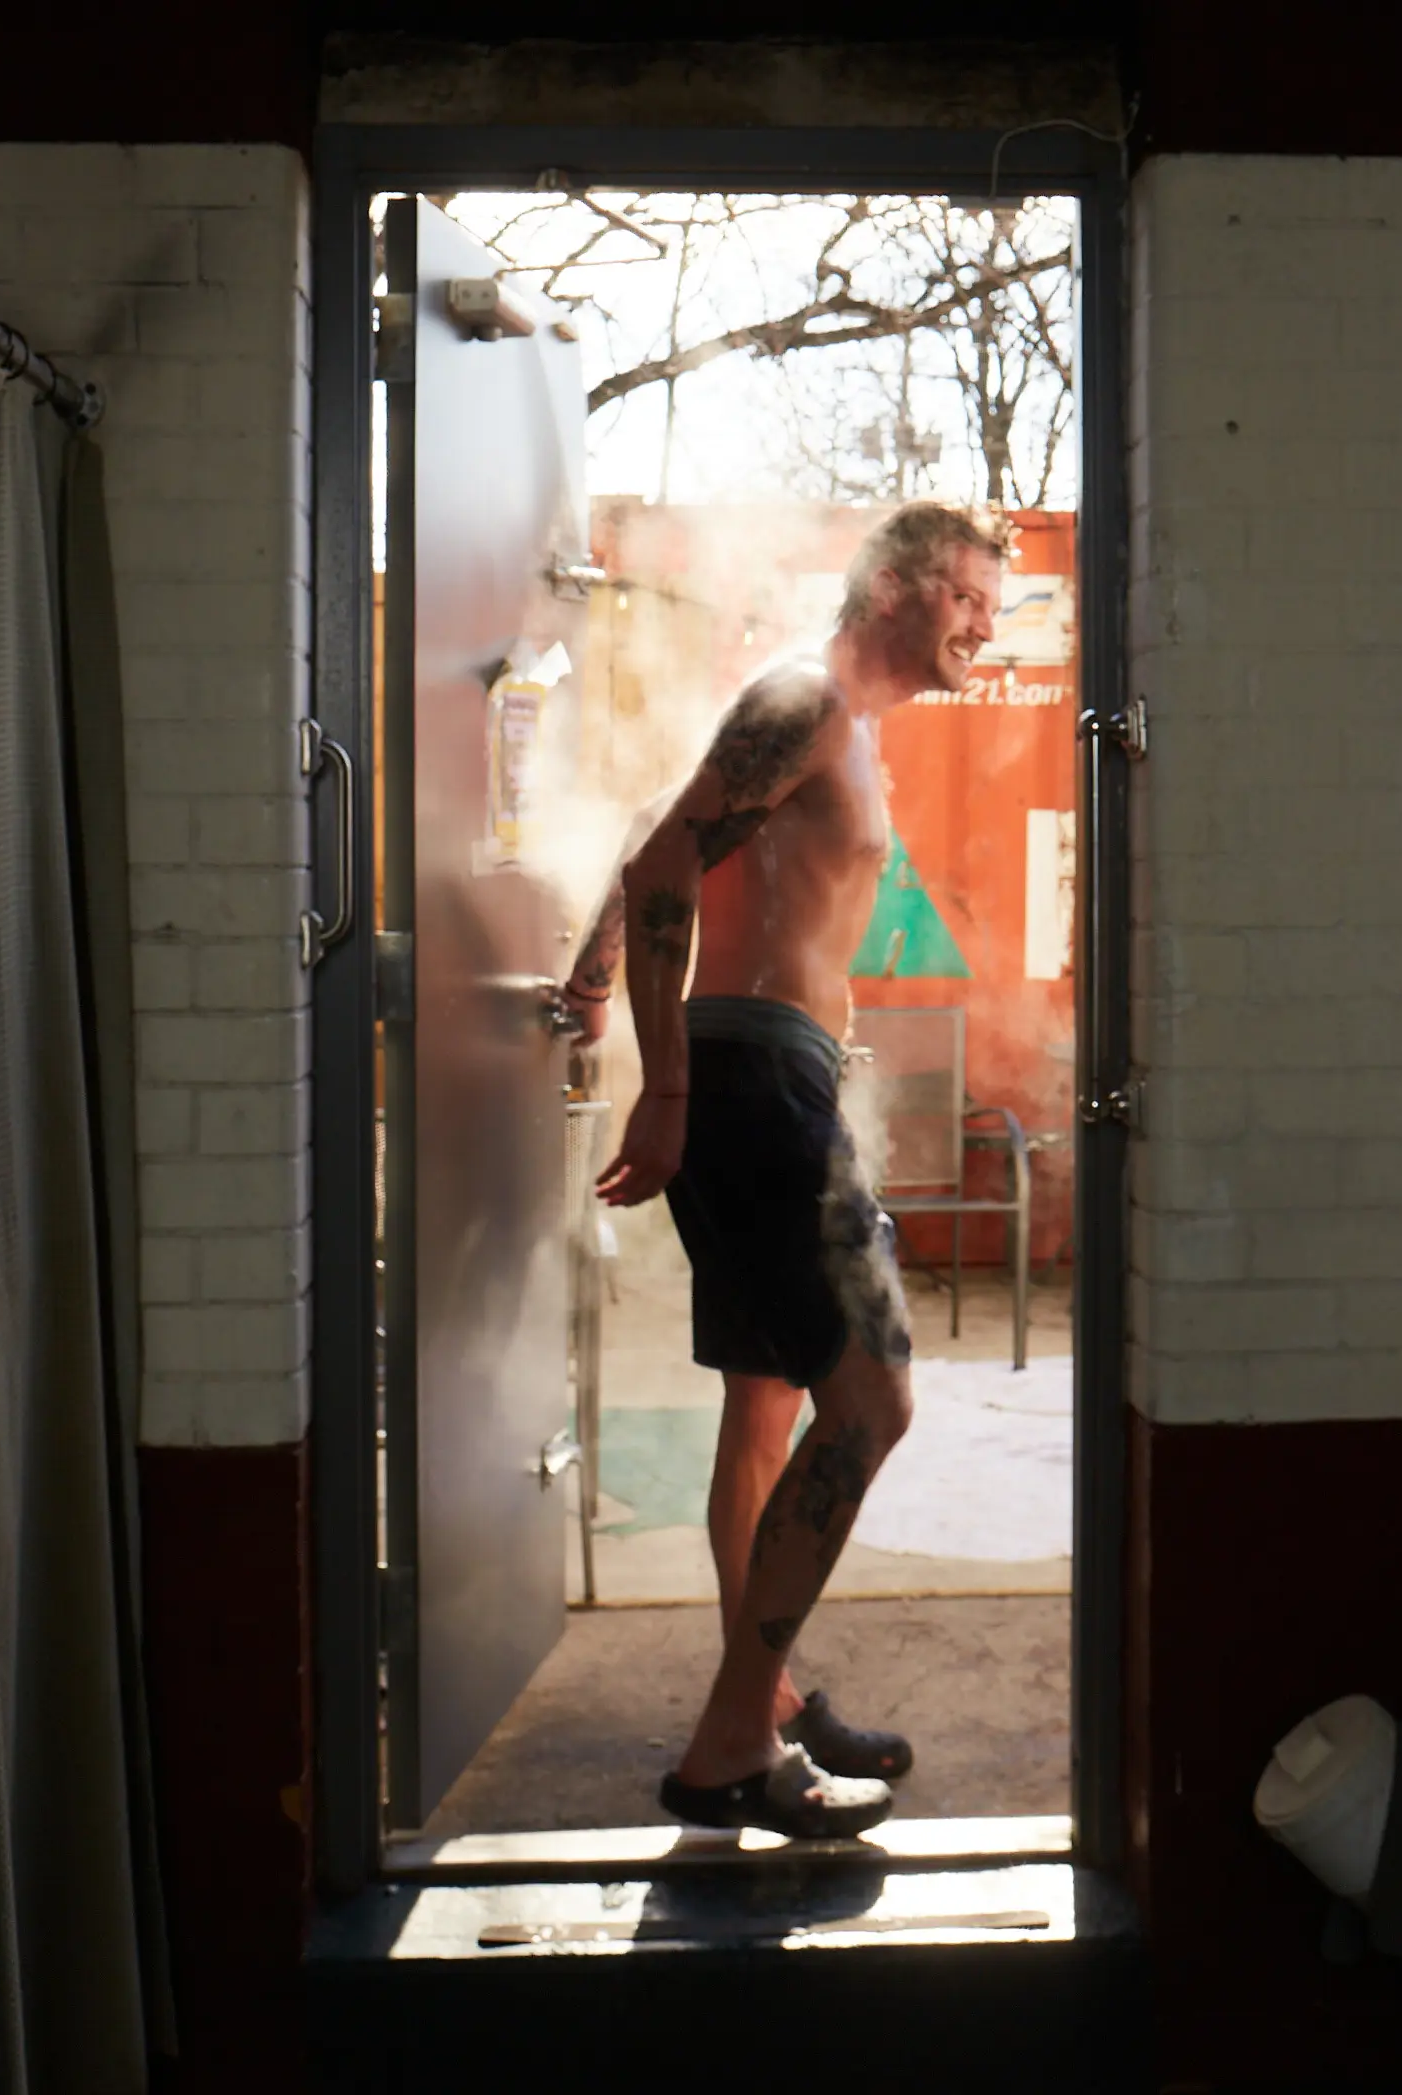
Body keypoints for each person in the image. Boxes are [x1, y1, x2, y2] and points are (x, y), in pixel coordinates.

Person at [562, 502, 1006, 1838]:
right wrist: (670, 1089)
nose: (986, 622)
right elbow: (662, 858)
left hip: (774, 1079)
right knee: (871, 1406)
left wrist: (591, 976)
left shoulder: (831, 723)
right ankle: (727, 1747)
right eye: (971, 595)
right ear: (901, 585)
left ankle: (772, 1704)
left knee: (767, 1413)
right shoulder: (809, 696)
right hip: (755, 1088)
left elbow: (661, 828)